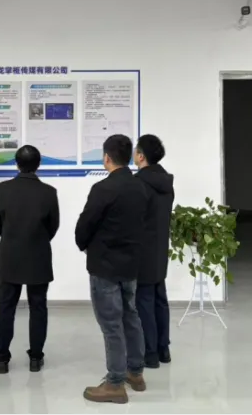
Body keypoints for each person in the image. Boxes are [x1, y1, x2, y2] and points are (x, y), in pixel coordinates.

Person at [75, 134, 149, 405]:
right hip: (131, 263)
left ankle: (115, 383)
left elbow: (85, 225)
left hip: (105, 264)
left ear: (106, 157)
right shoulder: (140, 187)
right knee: (130, 315)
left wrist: (83, 244)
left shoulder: (103, 189)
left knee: (111, 324)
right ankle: (135, 373)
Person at [0, 145, 60, 375]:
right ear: (39, 164)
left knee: (6, 308)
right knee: (38, 307)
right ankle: (36, 358)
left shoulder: (3, 189)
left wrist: (12, 237)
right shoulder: (49, 192)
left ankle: (1, 359)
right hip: (38, 255)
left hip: (10, 255)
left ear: (16, 163)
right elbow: (53, 226)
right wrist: (37, 239)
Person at [134, 135, 175, 369]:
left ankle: (150, 354)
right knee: (160, 298)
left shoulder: (139, 182)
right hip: (160, 248)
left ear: (141, 156)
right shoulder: (166, 181)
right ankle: (163, 349)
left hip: (142, 250)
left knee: (144, 301)